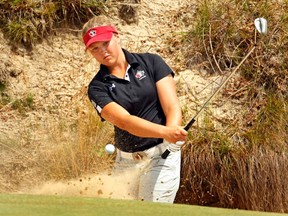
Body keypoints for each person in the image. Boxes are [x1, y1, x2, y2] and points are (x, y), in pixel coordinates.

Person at [82, 15, 187, 203]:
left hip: (161, 156)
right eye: (95, 48)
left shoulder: (151, 62)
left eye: (106, 43)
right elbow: (124, 121)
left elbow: (172, 106)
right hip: (126, 162)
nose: (103, 51)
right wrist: (167, 131)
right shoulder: (97, 87)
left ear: (117, 36)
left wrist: (169, 138)